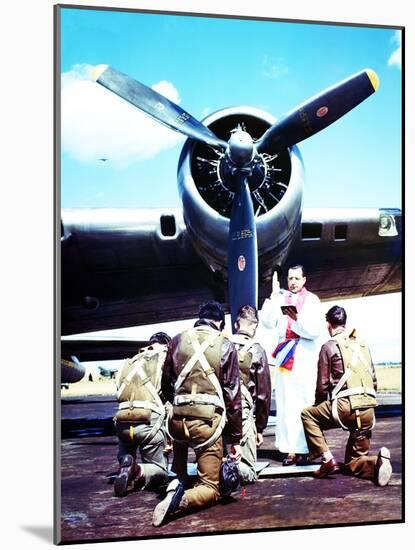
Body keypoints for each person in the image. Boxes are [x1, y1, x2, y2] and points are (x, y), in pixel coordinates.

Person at [152, 301, 242, 527]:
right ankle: (180, 499)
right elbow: (232, 397)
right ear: (220, 322)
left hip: (177, 420)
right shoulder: (225, 344)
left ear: (199, 318)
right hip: (206, 425)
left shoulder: (177, 340)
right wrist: (235, 439)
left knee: (181, 466)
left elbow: (165, 385)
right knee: (211, 488)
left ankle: (176, 481)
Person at [301, 306, 392, 485]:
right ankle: (377, 463)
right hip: (368, 410)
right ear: (344, 322)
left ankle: (326, 459)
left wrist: (318, 406)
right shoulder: (362, 345)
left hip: (345, 408)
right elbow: (374, 380)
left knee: (307, 415)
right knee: (353, 462)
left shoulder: (328, 346)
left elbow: (322, 386)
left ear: (328, 324)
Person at [260, 265, 322, 465]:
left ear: (304, 280)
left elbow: (314, 331)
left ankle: (305, 448)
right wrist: (272, 296)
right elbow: (267, 322)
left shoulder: (312, 301)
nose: (293, 282)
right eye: (290, 278)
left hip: (304, 356)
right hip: (285, 357)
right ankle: (289, 450)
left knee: (304, 403)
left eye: (296, 278)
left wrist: (297, 319)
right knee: (286, 404)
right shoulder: (280, 299)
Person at [113, 332, 171, 497]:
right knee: (160, 471)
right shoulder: (163, 359)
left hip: (123, 421)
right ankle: (137, 470)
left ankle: (126, 462)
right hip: (147, 422)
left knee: (126, 451)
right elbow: (169, 400)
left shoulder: (130, 362)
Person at [230, 305, 271, 484]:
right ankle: (228, 468)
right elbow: (263, 394)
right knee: (249, 473)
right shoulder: (257, 350)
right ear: (255, 327)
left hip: (218, 413)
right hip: (242, 414)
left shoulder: (222, 344)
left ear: (236, 324)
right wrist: (260, 428)